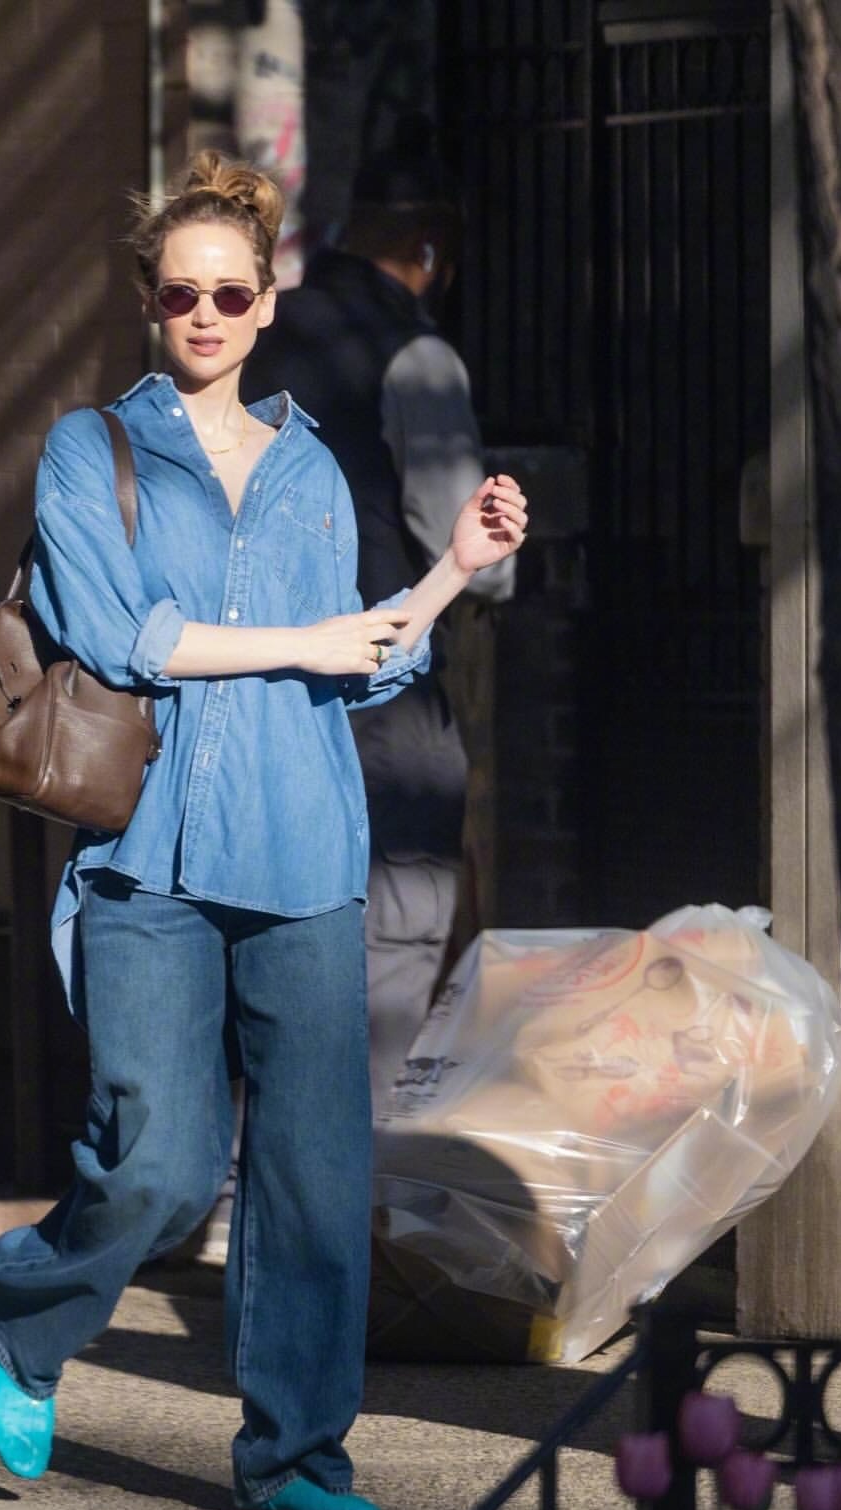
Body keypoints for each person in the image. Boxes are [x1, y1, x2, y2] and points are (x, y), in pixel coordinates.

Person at [0, 153, 526, 1510]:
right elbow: (123, 636)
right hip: (148, 852)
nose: (205, 314)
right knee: (157, 1161)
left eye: (229, 292)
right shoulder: (90, 449)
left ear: (267, 303)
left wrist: (449, 570)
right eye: (180, 293)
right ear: (149, 303)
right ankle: (25, 1315)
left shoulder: (312, 466)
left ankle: (295, 1453)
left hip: (303, 846)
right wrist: (302, 640)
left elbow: (357, 662)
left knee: (316, 1179)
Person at [245, 131, 516, 1109]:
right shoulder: (416, 353)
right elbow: (472, 552)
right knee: (393, 940)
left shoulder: (255, 332)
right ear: (431, 252)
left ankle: (241, 1172)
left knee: (263, 940)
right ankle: (349, 1172)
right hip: (377, 692)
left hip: (248, 683)